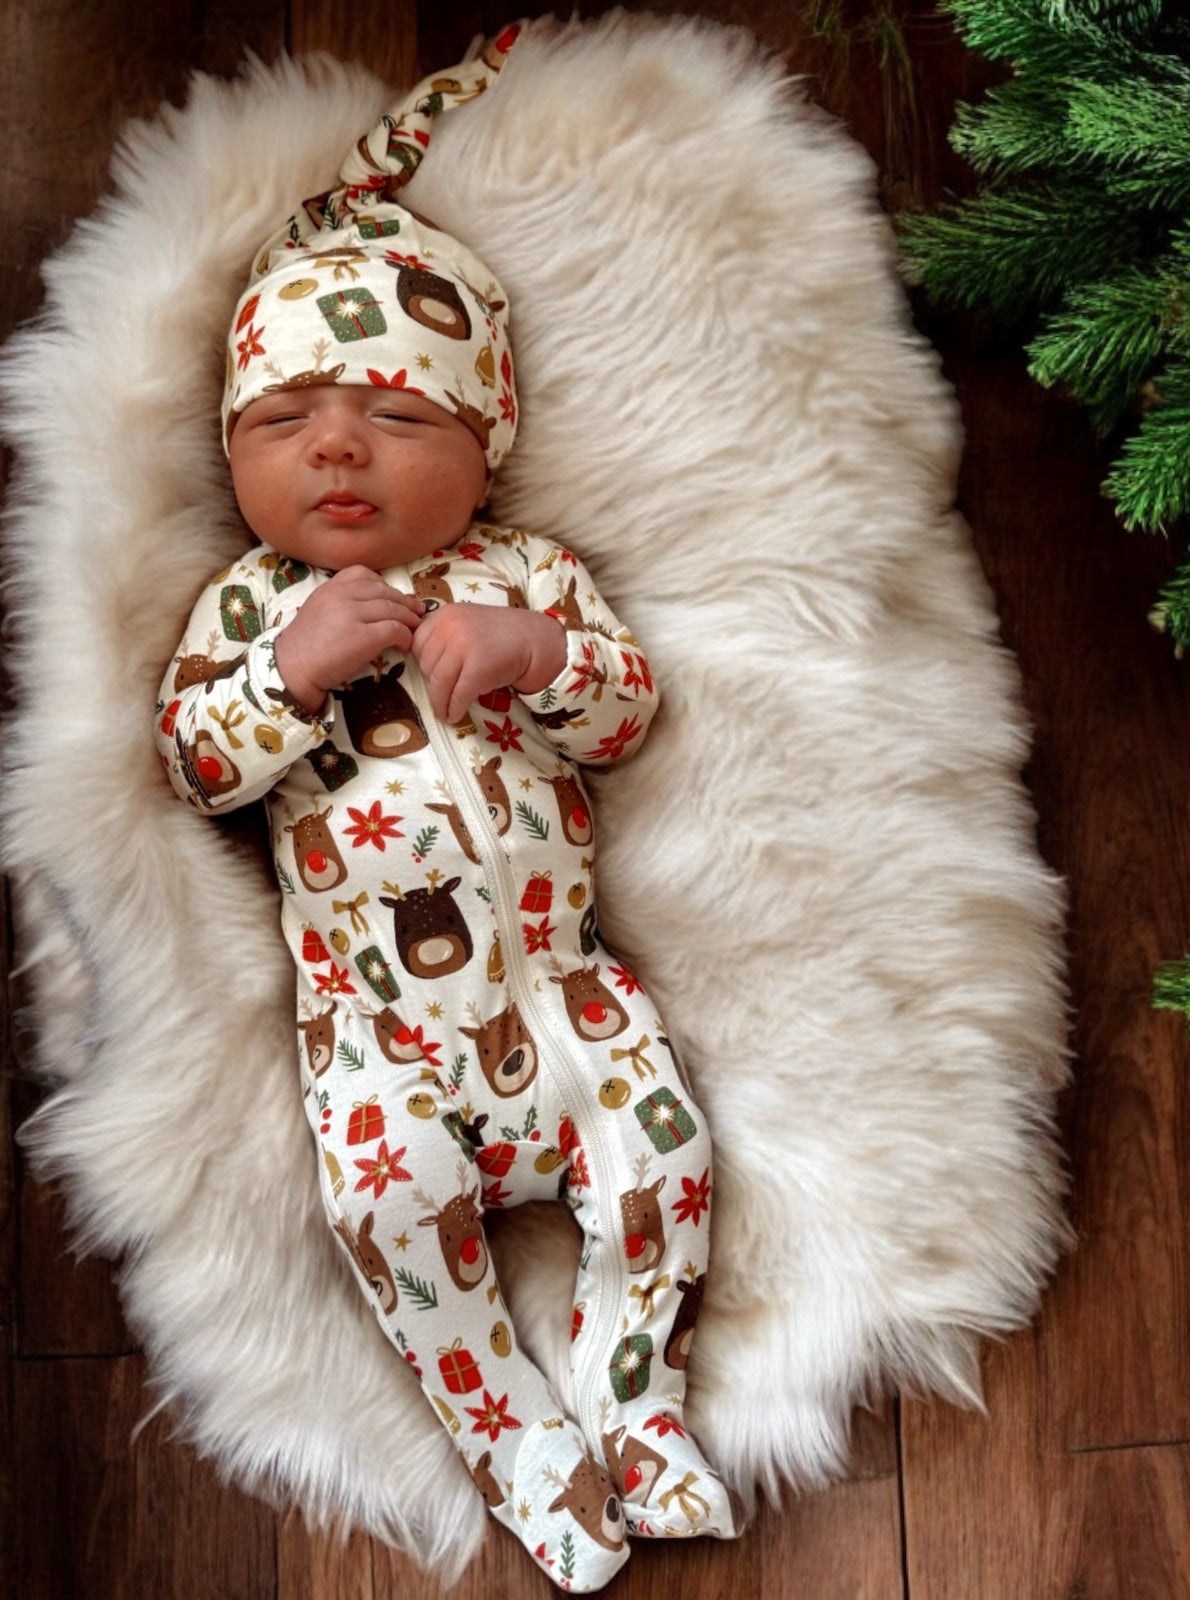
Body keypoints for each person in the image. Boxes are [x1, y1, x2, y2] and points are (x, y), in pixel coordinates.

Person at [154, 32, 739, 1592]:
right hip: (380, 1041)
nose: (338, 445)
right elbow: (194, 766)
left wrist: (542, 658)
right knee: (391, 1218)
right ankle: (520, 1451)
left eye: (397, 419)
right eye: (286, 423)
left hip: (567, 999)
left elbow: (627, 708)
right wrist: (284, 680)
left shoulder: (524, 570)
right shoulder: (248, 602)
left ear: (485, 448)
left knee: (663, 1163)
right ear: (233, 456)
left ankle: (635, 1399)